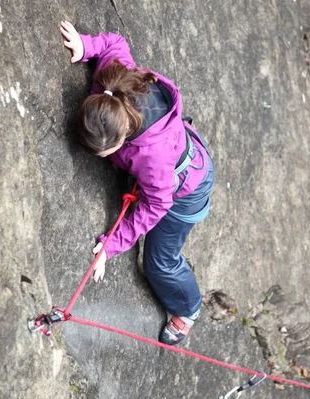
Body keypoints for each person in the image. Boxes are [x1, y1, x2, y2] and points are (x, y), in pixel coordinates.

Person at [60, 20, 214, 345]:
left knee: (159, 261)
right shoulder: (111, 87)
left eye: (106, 152)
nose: (101, 158)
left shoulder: (152, 158)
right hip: (180, 151)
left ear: (124, 137)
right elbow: (114, 43)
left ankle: (188, 310)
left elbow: (158, 203)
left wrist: (111, 245)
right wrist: (85, 46)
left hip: (184, 190)